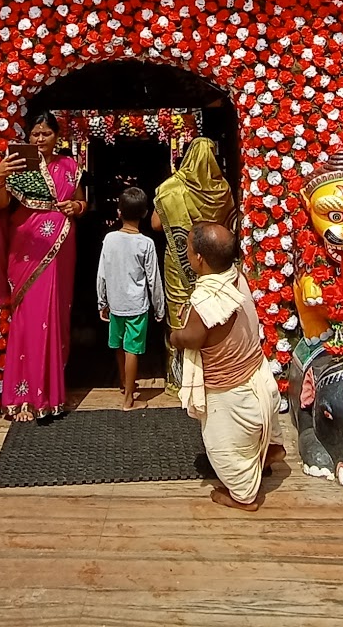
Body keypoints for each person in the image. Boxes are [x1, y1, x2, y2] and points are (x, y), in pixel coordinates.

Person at [169, 219, 283, 512]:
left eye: (190, 248)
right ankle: (269, 450)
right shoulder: (235, 276)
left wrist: (175, 336)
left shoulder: (206, 299)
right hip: (259, 375)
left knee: (223, 450)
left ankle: (242, 496)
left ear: (199, 259)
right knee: (258, 430)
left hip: (231, 394)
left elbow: (193, 338)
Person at [0, 112, 88, 422]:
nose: (39, 139)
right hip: (27, 246)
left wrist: (77, 207)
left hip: (60, 246)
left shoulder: (70, 167)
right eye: (35, 134)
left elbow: (81, 202)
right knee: (28, 315)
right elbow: (2, 205)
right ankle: (23, 397)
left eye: (45, 134)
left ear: (57, 136)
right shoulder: (17, 166)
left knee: (54, 315)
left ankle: (50, 396)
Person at [152, 138, 235, 391]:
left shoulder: (171, 188)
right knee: (211, 313)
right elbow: (231, 224)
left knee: (179, 313)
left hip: (179, 264)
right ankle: (210, 375)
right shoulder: (223, 190)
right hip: (213, 263)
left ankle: (179, 380)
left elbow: (156, 224)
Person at [96, 186, 165, 411]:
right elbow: (153, 279)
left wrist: (102, 300)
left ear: (119, 212)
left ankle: (125, 384)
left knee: (118, 344)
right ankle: (128, 401)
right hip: (137, 304)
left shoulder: (109, 239)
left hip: (115, 302)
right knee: (132, 348)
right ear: (145, 213)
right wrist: (159, 307)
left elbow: (102, 273)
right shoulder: (146, 243)